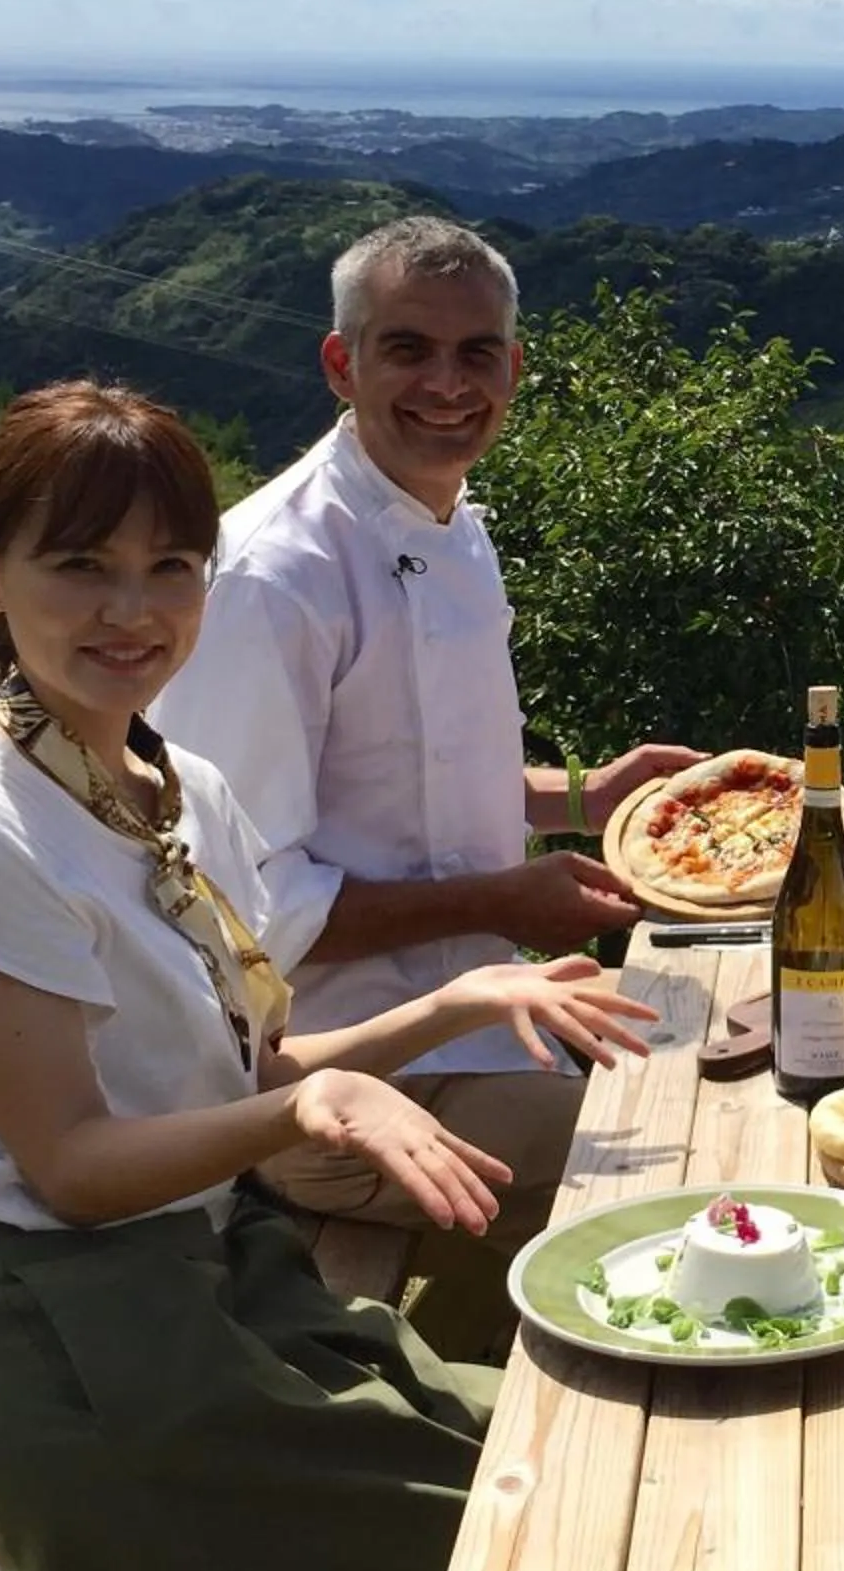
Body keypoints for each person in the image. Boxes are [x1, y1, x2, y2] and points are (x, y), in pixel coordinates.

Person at [0, 381, 657, 1571]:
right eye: (81, 566)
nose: (133, 611)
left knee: (563, 1473)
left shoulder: (169, 787)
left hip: (219, 1287)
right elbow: (76, 1168)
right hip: (77, 1366)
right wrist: (303, 1103)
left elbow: (255, 1060)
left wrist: (444, 1003)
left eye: (171, 566)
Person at [152, 215, 695, 1324]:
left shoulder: (453, 520)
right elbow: (244, 908)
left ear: (515, 367)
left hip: (491, 1020)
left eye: (476, 352)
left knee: (758, 1067)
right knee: (691, 1167)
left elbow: (427, 783)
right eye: (408, 348)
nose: (447, 384)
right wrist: (507, 900)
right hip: (336, 1087)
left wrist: (590, 796)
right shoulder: (276, 576)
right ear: (342, 363)